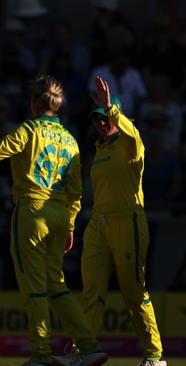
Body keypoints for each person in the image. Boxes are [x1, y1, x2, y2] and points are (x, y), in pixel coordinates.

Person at [0, 75, 107, 366]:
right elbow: (76, 192)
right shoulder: (71, 140)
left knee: (34, 288)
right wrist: (71, 226)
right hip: (60, 216)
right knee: (57, 285)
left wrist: (2, 134)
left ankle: (40, 354)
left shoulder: (27, 130)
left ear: (33, 103)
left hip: (31, 212)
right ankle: (89, 344)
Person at [73, 76, 166, 366]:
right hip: (99, 224)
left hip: (129, 223)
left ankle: (154, 356)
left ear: (117, 116)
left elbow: (130, 131)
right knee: (92, 292)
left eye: (105, 118)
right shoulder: (99, 151)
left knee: (133, 293)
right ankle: (84, 350)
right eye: (97, 119)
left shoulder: (131, 145)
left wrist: (111, 108)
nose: (101, 123)